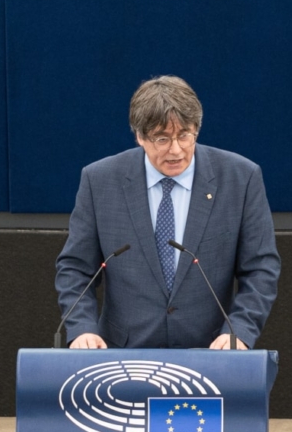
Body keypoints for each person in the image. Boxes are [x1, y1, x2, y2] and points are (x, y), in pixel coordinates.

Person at [55, 76, 280, 350]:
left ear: (197, 128)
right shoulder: (100, 181)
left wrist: (240, 331)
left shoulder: (240, 178)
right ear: (139, 136)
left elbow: (260, 268)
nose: (176, 150)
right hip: (123, 355)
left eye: (184, 135)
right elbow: (75, 268)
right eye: (162, 138)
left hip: (211, 356)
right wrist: (82, 329)